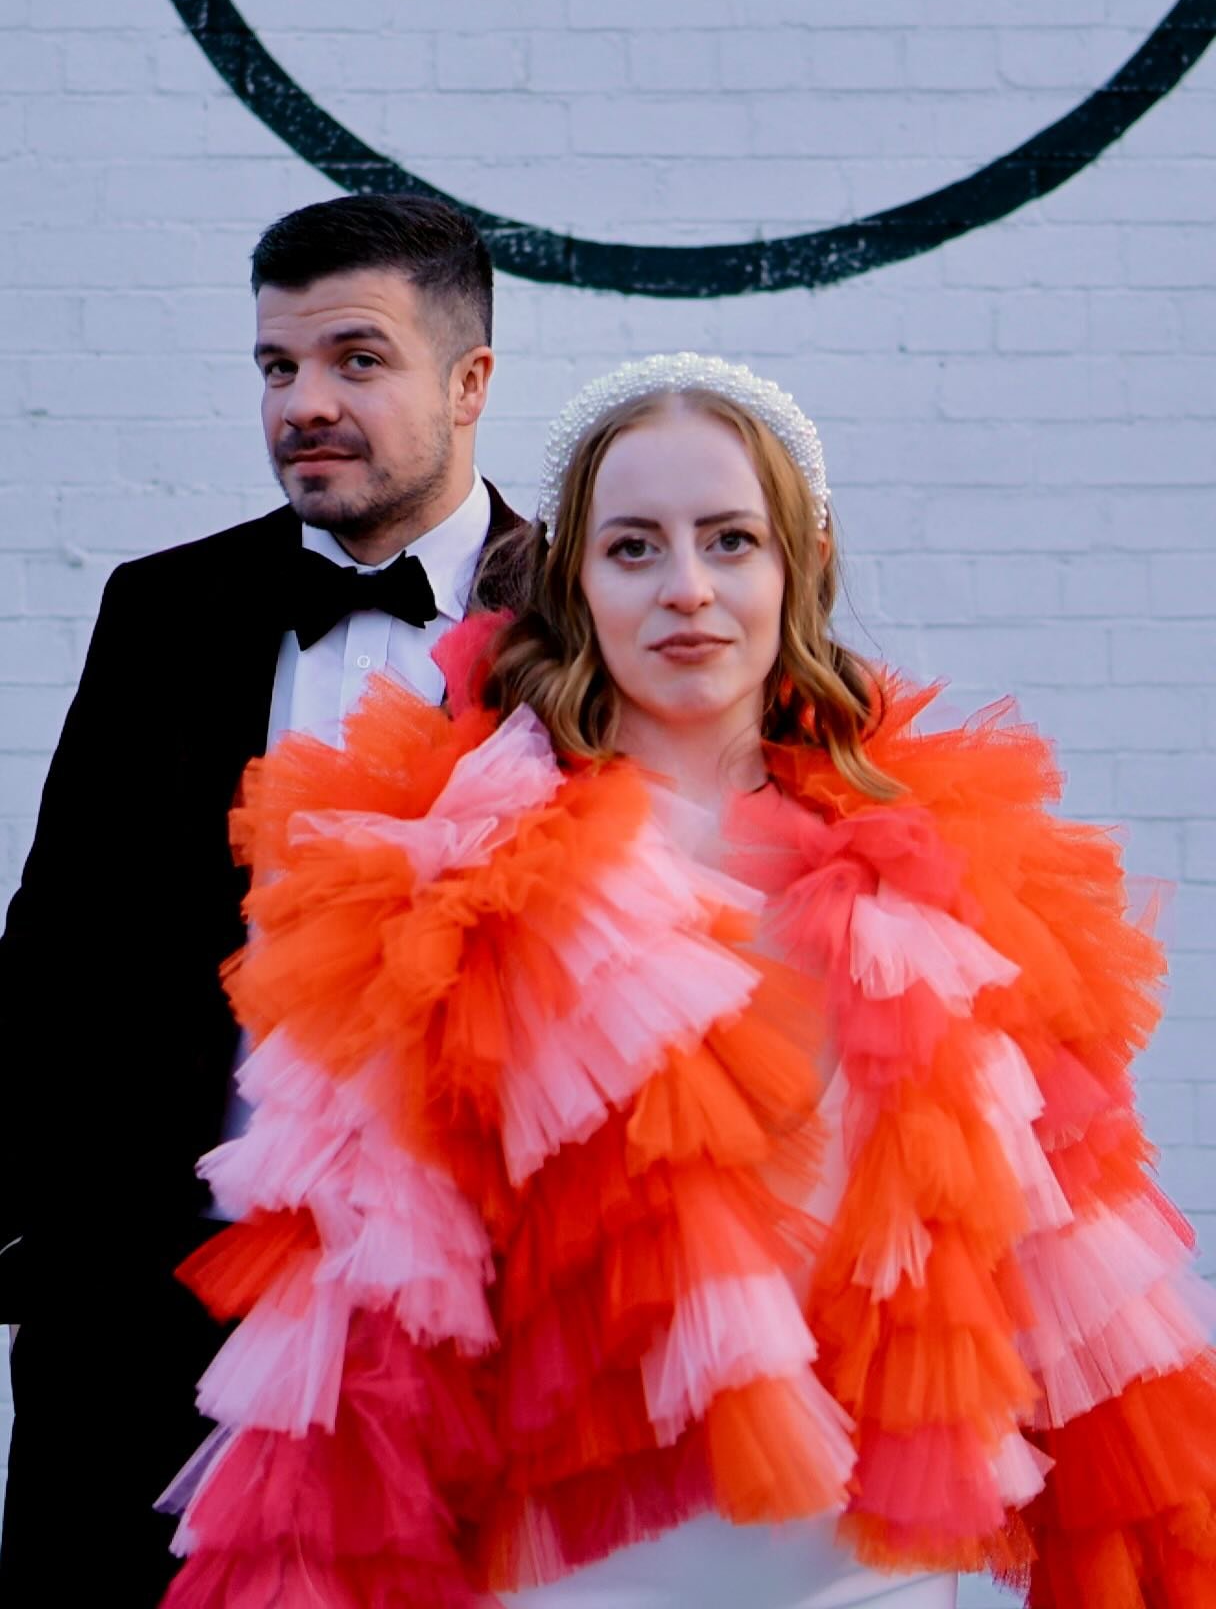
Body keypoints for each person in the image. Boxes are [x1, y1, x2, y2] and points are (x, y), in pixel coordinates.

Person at [160, 352, 1215, 1608]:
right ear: (573, 581)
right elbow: (368, 1318)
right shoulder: (452, 880)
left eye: (730, 540)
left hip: (867, 1576)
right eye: (633, 549)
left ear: (799, 563)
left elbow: (1078, 1287)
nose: (688, 590)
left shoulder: (947, 873)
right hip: (570, 1579)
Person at [0, 194, 523, 1606]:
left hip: (470, 1334)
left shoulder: (581, 623)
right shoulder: (160, 611)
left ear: (470, 381)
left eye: (358, 360)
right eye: (276, 367)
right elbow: (54, 951)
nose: (304, 405)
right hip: (152, 1318)